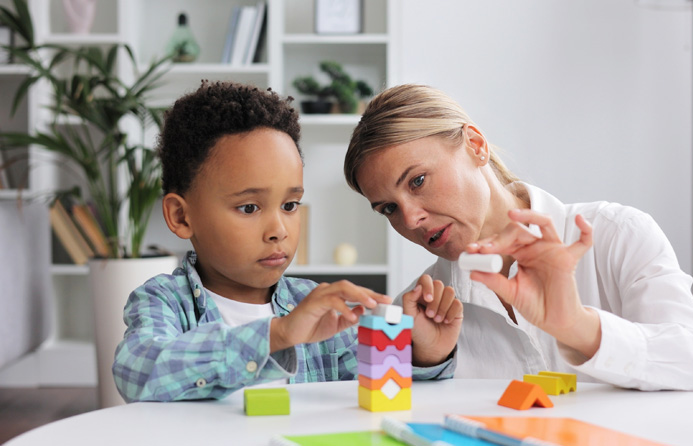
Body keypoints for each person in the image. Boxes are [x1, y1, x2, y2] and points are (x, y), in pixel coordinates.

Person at [343, 84, 693, 395]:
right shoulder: (418, 308)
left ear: (475, 145)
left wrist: (580, 328)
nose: (411, 218)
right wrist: (428, 362)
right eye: (388, 209)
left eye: (418, 181)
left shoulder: (616, 235)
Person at [113, 81, 462, 402]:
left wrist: (426, 353)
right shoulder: (164, 301)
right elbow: (138, 372)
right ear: (181, 217)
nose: (278, 230)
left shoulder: (314, 305)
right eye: (249, 207)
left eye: (290, 205)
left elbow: (381, 392)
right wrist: (276, 336)